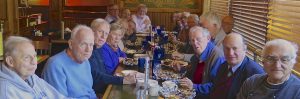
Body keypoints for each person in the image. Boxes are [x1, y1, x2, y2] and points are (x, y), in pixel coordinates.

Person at [180, 33, 264, 99]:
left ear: (244, 48)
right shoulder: (224, 65)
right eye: (227, 48)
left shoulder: (255, 73)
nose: (230, 53)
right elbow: (214, 88)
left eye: (234, 48)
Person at [0, 36, 67, 98]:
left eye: (35, 56)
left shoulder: (31, 77)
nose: (33, 62)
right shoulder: (6, 91)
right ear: (10, 61)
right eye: (26, 57)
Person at [42, 25, 97, 98]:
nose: (88, 50)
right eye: (83, 44)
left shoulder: (85, 61)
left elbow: (89, 91)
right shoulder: (55, 65)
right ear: (71, 44)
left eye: (91, 45)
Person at [88, 18, 136, 94]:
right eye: (100, 31)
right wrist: (122, 80)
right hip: (98, 92)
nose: (103, 36)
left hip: (105, 86)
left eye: (106, 33)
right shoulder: (89, 50)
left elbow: (103, 74)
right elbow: (97, 76)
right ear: (91, 32)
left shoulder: (98, 48)